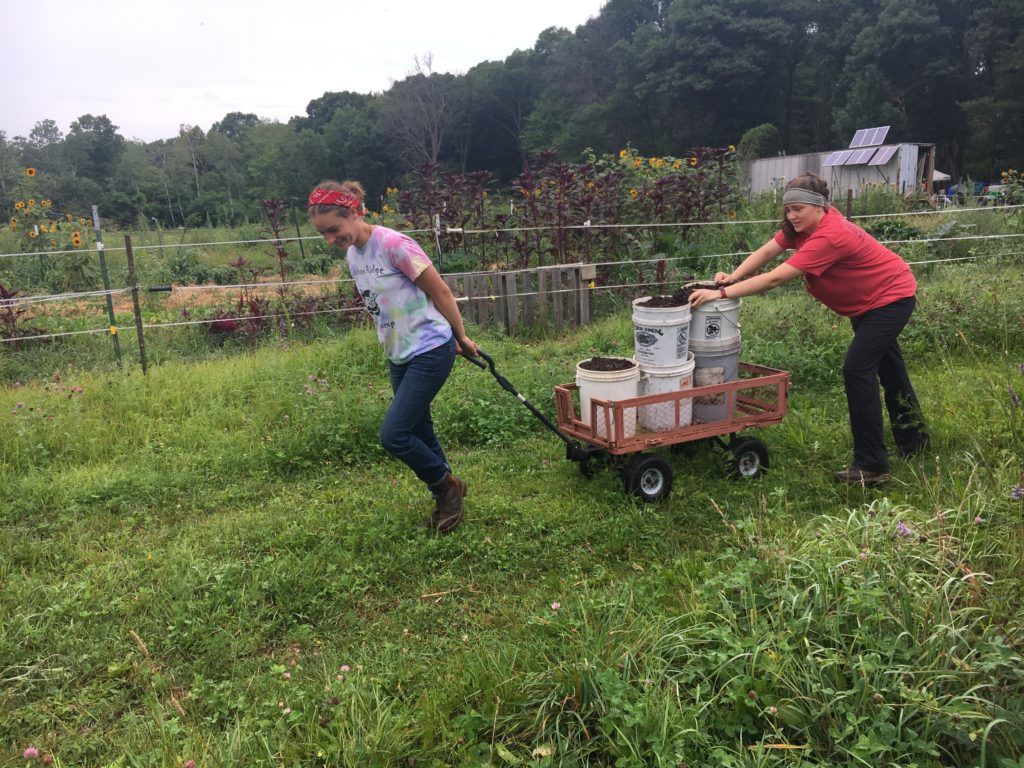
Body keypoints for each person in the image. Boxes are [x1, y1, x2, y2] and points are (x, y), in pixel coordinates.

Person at [688, 172, 928, 486]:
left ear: (819, 206)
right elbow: (766, 252)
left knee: (857, 370)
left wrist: (720, 294)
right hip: (868, 302)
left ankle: (872, 466)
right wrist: (733, 277)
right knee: (891, 372)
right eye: (788, 209)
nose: (791, 215)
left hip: (890, 298)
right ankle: (915, 442)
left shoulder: (830, 235)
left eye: (798, 209)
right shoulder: (800, 228)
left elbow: (775, 278)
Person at [308, 180, 478, 531]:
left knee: (394, 435)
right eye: (323, 234)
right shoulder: (354, 254)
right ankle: (448, 495)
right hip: (398, 354)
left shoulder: (394, 244)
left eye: (334, 230)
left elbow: (441, 291)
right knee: (420, 429)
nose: (329, 239)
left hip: (431, 348)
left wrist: (460, 336)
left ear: (353, 212)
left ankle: (447, 489)